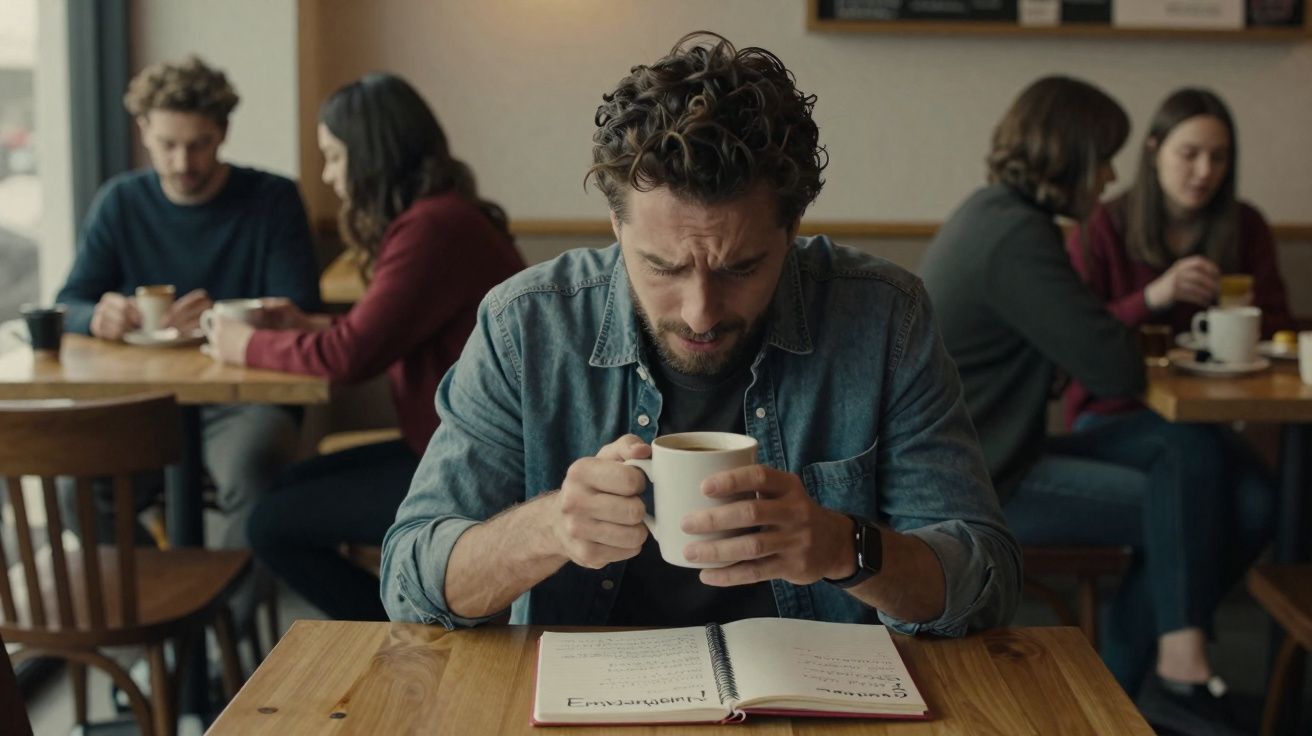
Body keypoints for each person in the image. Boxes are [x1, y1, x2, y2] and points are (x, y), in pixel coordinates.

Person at [381, 32, 1020, 635]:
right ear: (616, 226)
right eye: (663, 268)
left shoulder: (883, 319)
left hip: (819, 696)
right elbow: (410, 580)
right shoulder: (526, 326)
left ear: (792, 229)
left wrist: (843, 547)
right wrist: (547, 529)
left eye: (741, 268)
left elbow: (985, 581)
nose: (700, 313)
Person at [919, 76, 1268, 734]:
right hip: (986, 481)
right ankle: (1148, 685)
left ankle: (1153, 678)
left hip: (1001, 450)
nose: (1109, 177)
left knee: (1198, 452)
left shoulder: (995, 215)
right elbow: (1114, 367)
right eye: (1104, 158)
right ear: (1071, 156)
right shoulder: (1018, 238)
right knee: (1235, 502)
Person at [206, 74, 526, 621]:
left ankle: (402, 633)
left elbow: (347, 357)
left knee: (270, 523)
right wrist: (304, 323)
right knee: (282, 488)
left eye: (334, 157)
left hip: (475, 466)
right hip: (442, 443)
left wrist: (245, 344)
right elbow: (384, 330)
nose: (328, 176)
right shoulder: (442, 217)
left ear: (371, 155)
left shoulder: (432, 228)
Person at [54, 55, 320, 557]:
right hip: (141, 401)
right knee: (78, 489)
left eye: (198, 145)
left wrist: (221, 317)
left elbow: (300, 307)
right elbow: (70, 301)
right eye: (167, 145)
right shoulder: (121, 202)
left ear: (222, 133)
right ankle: (153, 599)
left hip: (245, 400)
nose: (182, 164)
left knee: (256, 469)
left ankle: (227, 606)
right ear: (143, 131)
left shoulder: (272, 199)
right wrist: (99, 316)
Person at [1065, 87, 1295, 426]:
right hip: (1114, 409)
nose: (1204, 171)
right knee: (1208, 453)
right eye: (1189, 154)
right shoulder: (1102, 225)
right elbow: (1075, 335)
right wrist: (1152, 297)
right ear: (1154, 151)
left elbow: (1282, 330)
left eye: (1219, 157)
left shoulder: (1246, 225)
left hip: (1213, 409)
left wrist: (1241, 314)